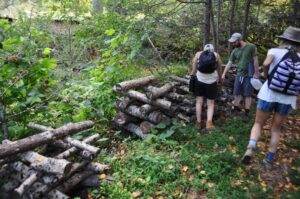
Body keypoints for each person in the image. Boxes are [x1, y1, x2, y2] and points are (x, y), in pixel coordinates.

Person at [241, 26, 300, 168]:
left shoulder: (274, 51)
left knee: (258, 123)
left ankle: (250, 148)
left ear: (284, 40)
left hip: (269, 94)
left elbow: (266, 63)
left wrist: (266, 75)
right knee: (276, 129)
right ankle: (269, 159)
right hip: (287, 98)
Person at [222, 33, 260, 117]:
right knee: (237, 93)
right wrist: (224, 73)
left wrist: (256, 72)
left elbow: (255, 59)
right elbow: (229, 63)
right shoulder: (235, 51)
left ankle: (247, 112)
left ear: (239, 40)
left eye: (234, 42)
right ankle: (234, 109)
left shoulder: (251, 47)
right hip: (239, 74)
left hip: (249, 75)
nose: (233, 44)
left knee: (248, 94)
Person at [190, 44, 222, 130]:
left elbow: (194, 66)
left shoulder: (198, 54)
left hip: (199, 80)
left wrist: (192, 74)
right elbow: (219, 69)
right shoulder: (216, 55)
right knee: (210, 103)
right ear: (213, 49)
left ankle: (198, 122)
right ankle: (209, 123)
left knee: (199, 101)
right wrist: (220, 78)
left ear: (204, 49)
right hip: (212, 81)